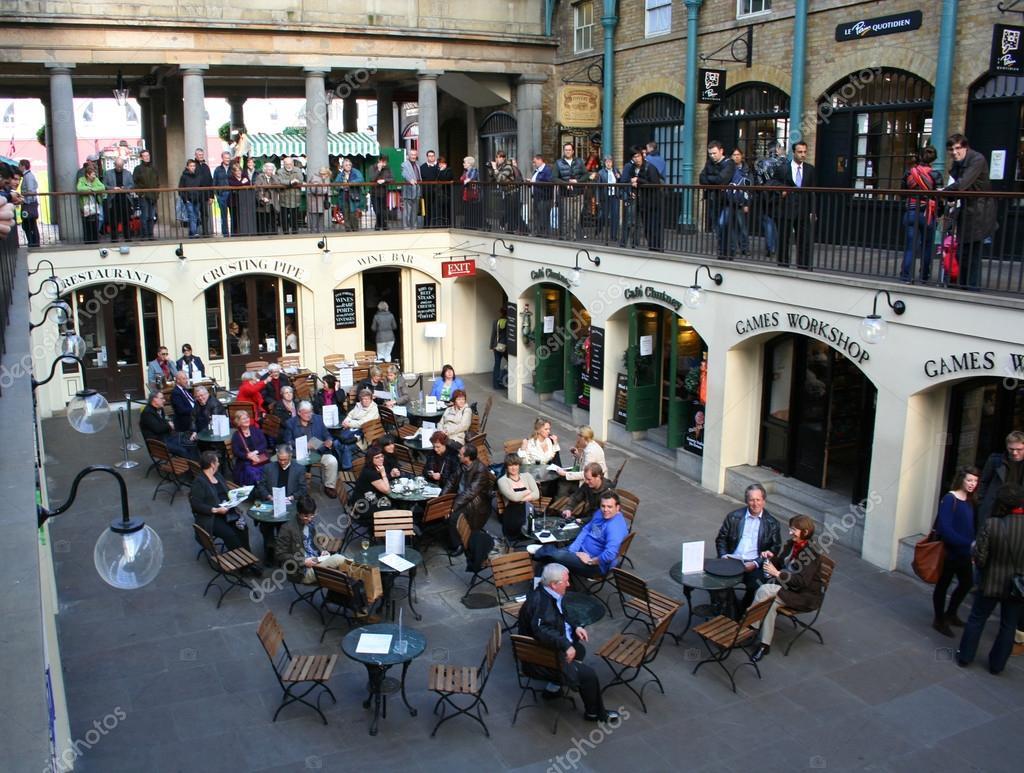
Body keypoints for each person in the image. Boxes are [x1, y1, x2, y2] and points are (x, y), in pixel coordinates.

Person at [517, 563, 620, 723]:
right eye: (565, 581)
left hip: (543, 651)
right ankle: (594, 714)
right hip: (542, 658)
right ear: (554, 584)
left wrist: (575, 626)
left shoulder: (547, 593)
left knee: (578, 650)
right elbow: (541, 629)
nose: (569, 584)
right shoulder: (542, 603)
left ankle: (553, 688)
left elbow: (562, 613)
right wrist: (565, 645)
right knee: (589, 676)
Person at [957, 484, 1024, 674]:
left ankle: (965, 657)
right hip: (1017, 587)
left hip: (991, 582)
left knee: (977, 619)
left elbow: (980, 558)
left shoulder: (992, 524)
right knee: (1008, 625)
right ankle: (997, 666)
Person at [750, 514, 824, 662]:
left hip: (804, 596)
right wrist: (770, 557)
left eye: (794, 530)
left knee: (765, 590)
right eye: (791, 528)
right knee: (769, 602)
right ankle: (764, 645)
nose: (790, 532)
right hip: (788, 589)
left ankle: (750, 626)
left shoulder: (811, 554)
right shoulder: (792, 544)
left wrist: (777, 574)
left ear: (805, 532)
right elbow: (781, 562)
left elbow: (802, 582)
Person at [715, 483, 782, 611]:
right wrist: (723, 556)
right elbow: (721, 539)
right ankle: (732, 610)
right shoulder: (734, 517)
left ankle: (744, 611)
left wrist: (756, 563)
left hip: (755, 563)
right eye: (752, 500)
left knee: (758, 587)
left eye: (758, 500)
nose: (755, 503)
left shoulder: (772, 523)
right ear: (746, 501)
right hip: (732, 560)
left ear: (764, 501)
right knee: (716, 583)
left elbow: (775, 547)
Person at [532, 491, 628, 580]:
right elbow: (587, 529)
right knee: (548, 559)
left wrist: (590, 561)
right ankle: (536, 586)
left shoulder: (615, 527)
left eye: (609, 507)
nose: (605, 510)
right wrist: (574, 548)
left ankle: (541, 550)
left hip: (594, 564)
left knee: (554, 556)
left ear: (618, 507)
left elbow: (610, 554)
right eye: (603, 506)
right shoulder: (600, 513)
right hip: (579, 551)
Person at [944, 134, 997, 290]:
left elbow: (962, 184)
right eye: (951, 149)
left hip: (980, 211)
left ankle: (971, 288)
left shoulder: (977, 160)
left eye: (957, 148)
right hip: (968, 210)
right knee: (964, 252)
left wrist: (943, 193)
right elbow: (958, 184)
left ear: (965, 147)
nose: (954, 152)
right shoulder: (960, 162)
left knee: (973, 253)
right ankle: (962, 285)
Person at [931, 466, 979, 637]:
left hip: (964, 553)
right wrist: (969, 544)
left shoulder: (970, 499)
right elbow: (945, 529)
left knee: (967, 583)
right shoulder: (950, 499)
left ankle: (951, 613)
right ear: (961, 480)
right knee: (943, 586)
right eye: (969, 480)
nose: (972, 484)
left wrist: (971, 548)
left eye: (975, 481)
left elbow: (969, 526)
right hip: (949, 553)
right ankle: (939, 620)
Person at [189, 451, 255, 558]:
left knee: (242, 528)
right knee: (230, 535)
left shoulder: (218, 475)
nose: (219, 464)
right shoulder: (199, 482)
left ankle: (248, 557)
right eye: (217, 462)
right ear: (212, 464)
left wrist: (238, 495)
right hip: (211, 517)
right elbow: (196, 505)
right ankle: (242, 561)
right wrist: (215, 510)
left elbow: (227, 492)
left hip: (227, 511)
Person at [275, 496, 353, 583]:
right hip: (302, 572)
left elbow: (314, 542)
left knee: (344, 573)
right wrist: (303, 561)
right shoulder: (287, 528)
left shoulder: (310, 523)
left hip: (316, 560)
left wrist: (322, 550)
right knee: (339, 560)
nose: (309, 519)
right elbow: (280, 554)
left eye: (312, 515)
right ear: (298, 513)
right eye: (305, 516)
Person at [255, 444, 308, 564]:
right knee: (265, 526)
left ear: (290, 456)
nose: (282, 462)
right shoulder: (268, 468)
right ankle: (269, 551)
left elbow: (303, 489)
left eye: (285, 459)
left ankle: (282, 554)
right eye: (279, 459)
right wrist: (269, 496)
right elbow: (261, 486)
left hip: (289, 505)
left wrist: (291, 497)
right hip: (271, 503)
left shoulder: (299, 469)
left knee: (284, 528)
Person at [441, 443, 495, 556]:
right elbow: (451, 480)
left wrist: (453, 507)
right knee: (441, 511)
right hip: (461, 497)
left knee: (454, 518)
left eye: (460, 454)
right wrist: (442, 498)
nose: (458, 455)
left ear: (467, 457)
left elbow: (470, 492)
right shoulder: (462, 464)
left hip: (475, 502)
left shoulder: (480, 470)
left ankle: (458, 545)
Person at [900, 146, 942, 283]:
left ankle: (906, 276)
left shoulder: (909, 173)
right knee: (927, 245)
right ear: (933, 159)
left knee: (910, 246)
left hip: (911, 211)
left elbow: (902, 193)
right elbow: (939, 196)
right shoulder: (936, 175)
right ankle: (924, 276)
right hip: (928, 213)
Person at [773, 141, 817, 270]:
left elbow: (813, 191)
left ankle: (803, 266)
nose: (803, 154)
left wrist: (813, 211)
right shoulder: (783, 169)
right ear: (794, 153)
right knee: (784, 239)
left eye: (804, 152)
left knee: (804, 239)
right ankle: (783, 265)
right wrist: (782, 191)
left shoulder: (810, 169)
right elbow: (773, 184)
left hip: (803, 209)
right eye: (800, 152)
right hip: (786, 209)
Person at [283, 401, 339, 496]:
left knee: (332, 461)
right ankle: (301, 488)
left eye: (310, 412)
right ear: (299, 412)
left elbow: (327, 434)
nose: (309, 415)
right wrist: (304, 445)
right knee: (297, 466)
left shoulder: (318, 419)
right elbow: (287, 441)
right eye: (306, 413)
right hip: (300, 454)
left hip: (318, 452)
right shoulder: (290, 423)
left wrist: (329, 440)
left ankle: (329, 486)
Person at [977, 430, 1024, 531]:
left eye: (1019, 449)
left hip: (1018, 512)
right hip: (994, 509)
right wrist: (982, 503)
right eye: (1011, 449)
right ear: (1007, 446)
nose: (1015, 453)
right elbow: (983, 482)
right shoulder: (995, 460)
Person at [699, 140, 736, 257]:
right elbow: (701, 178)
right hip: (713, 199)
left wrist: (710, 179)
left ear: (721, 151)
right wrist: (714, 180)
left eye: (714, 153)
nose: (712, 156)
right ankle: (722, 250)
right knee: (717, 226)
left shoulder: (729, 163)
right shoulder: (709, 163)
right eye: (710, 154)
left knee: (723, 224)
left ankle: (728, 251)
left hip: (727, 200)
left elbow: (722, 180)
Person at [139, 390, 199, 460]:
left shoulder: (159, 409)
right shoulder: (147, 413)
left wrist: (168, 424)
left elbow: (163, 424)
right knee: (185, 447)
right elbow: (158, 429)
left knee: (191, 441)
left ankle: (196, 465)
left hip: (168, 437)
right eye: (162, 398)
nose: (164, 400)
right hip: (159, 443)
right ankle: (194, 466)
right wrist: (168, 424)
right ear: (154, 399)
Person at [754, 141, 787, 259]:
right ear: (777, 149)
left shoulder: (761, 162)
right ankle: (774, 247)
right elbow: (786, 178)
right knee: (776, 222)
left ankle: (770, 247)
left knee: (767, 221)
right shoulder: (782, 162)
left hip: (764, 195)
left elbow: (758, 180)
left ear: (768, 150)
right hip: (779, 195)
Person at [497, 454, 540, 539]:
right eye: (510, 465)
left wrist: (520, 498)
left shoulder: (527, 476)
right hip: (512, 511)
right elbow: (514, 498)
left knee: (536, 522)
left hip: (527, 508)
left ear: (519, 465)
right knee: (520, 525)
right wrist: (527, 491)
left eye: (516, 465)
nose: (514, 468)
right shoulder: (502, 481)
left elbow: (536, 495)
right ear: (506, 467)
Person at [631, 145, 664, 251]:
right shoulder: (638, 169)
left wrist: (638, 181)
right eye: (634, 157)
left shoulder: (650, 167)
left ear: (642, 156)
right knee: (648, 228)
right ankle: (652, 247)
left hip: (653, 203)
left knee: (654, 228)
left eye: (638, 156)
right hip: (644, 203)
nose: (636, 159)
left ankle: (656, 248)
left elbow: (655, 184)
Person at [337, 389, 380, 471]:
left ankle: (347, 468)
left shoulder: (374, 409)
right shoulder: (359, 405)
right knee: (336, 443)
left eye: (367, 399)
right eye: (363, 399)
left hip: (364, 436)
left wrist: (349, 424)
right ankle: (341, 463)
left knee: (346, 447)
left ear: (371, 399)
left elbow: (362, 423)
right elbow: (350, 415)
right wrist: (346, 421)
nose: (364, 401)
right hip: (352, 432)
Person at [555, 142, 586, 240]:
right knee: (567, 217)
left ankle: (572, 237)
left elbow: (586, 175)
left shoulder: (579, 162)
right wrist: (566, 183)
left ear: (573, 151)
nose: (567, 152)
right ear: (564, 151)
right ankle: (565, 237)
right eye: (566, 150)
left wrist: (577, 181)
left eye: (569, 150)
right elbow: (554, 178)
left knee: (575, 218)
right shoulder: (558, 163)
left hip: (578, 194)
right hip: (565, 194)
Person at [725, 148, 752, 258]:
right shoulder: (728, 168)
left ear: (742, 156)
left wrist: (747, 203)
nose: (736, 156)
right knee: (731, 226)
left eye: (738, 154)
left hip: (741, 202)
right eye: (734, 154)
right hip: (729, 201)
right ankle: (734, 247)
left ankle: (745, 248)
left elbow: (749, 187)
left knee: (742, 226)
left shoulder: (746, 170)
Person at [231, 409, 269, 486]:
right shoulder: (236, 435)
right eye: (243, 419)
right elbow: (236, 451)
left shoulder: (255, 430)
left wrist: (255, 452)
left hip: (260, 458)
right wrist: (248, 456)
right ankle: (257, 489)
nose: (247, 420)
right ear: (238, 422)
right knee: (252, 473)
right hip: (245, 461)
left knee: (268, 470)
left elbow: (264, 444)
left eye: (247, 418)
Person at [102, 157, 134, 242]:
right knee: (113, 220)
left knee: (126, 220)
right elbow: (104, 185)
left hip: (125, 199)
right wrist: (113, 188)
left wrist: (125, 188)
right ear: (114, 165)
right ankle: (114, 239)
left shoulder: (128, 173)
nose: (119, 168)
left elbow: (132, 185)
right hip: (113, 199)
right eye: (118, 166)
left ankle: (128, 238)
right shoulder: (108, 173)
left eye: (121, 166)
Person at [132, 150, 159, 240]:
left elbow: (157, 182)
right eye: (145, 156)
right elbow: (135, 183)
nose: (147, 157)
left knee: (151, 216)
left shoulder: (153, 168)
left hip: (153, 195)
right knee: (145, 216)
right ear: (141, 157)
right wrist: (141, 193)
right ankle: (144, 234)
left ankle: (150, 234)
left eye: (148, 155)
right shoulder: (138, 169)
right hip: (144, 196)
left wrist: (157, 194)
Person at [76, 163, 106, 244]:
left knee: (96, 221)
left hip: (95, 203)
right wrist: (90, 189)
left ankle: (95, 239)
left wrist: (92, 189)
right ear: (88, 175)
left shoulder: (96, 180)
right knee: (87, 222)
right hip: (86, 204)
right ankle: (88, 240)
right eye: (93, 174)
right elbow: (79, 189)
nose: (94, 176)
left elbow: (102, 187)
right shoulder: (82, 180)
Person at [596, 155, 621, 243]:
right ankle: (598, 230)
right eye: (607, 162)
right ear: (604, 163)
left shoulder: (616, 171)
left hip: (614, 196)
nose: (608, 164)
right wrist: (597, 199)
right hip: (605, 196)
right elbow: (598, 187)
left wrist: (619, 177)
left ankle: (613, 236)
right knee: (603, 215)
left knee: (615, 216)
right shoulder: (601, 172)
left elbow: (621, 182)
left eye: (610, 162)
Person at [276, 156, 304, 234]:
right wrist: (290, 182)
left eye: (290, 164)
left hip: (295, 198)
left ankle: (295, 233)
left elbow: (301, 180)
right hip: (284, 198)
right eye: (287, 164)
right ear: (284, 164)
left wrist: (288, 183)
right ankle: (285, 233)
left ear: (293, 163)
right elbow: (279, 181)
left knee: (294, 218)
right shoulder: (279, 171)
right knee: (284, 218)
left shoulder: (298, 170)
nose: (289, 165)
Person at [335, 157, 364, 231]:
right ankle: (348, 230)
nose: (348, 166)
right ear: (343, 166)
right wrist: (341, 186)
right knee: (345, 214)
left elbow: (361, 179)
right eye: (346, 165)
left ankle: (355, 230)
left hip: (353, 196)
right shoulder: (341, 175)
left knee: (353, 213)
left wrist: (350, 183)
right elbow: (336, 184)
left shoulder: (356, 172)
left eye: (349, 165)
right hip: (344, 197)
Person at [227, 161, 256, 236]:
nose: (239, 172)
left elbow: (248, 183)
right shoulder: (231, 178)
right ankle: (234, 234)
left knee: (243, 217)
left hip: (244, 201)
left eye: (239, 170)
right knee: (234, 218)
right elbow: (233, 184)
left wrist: (240, 183)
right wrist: (241, 183)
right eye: (236, 171)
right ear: (233, 172)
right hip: (233, 201)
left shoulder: (245, 176)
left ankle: (244, 232)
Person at [178, 159, 204, 238]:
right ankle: (194, 233)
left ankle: (191, 232)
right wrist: (185, 199)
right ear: (187, 167)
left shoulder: (198, 176)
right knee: (192, 215)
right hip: (188, 200)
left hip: (197, 199)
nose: (193, 167)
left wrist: (200, 196)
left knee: (196, 215)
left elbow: (201, 186)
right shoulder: (184, 176)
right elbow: (181, 188)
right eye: (191, 166)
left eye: (194, 166)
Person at [529, 153, 554, 237]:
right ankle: (539, 232)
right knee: (538, 215)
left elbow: (550, 182)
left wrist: (535, 182)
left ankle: (544, 233)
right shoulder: (537, 170)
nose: (533, 164)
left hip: (544, 197)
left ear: (540, 160)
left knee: (543, 216)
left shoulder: (547, 170)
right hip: (537, 197)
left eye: (534, 162)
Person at [18, 159, 40, 247]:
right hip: (29, 204)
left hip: (28, 204)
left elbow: (31, 190)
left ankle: (33, 242)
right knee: (30, 224)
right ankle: (33, 241)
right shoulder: (29, 176)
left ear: (23, 166)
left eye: (19, 166)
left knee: (29, 224)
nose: (18, 167)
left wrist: (23, 197)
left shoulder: (28, 177)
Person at [193, 148, 214, 236]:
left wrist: (211, 196)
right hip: (195, 195)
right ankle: (195, 232)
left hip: (205, 195)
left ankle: (205, 232)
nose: (201, 156)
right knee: (194, 214)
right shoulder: (193, 166)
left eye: (202, 155)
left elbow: (210, 181)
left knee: (205, 214)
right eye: (199, 155)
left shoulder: (206, 167)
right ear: (195, 155)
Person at [254, 162, 279, 235]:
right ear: (265, 170)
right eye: (268, 170)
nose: (270, 171)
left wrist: (274, 176)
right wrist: (262, 198)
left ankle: (274, 234)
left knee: (273, 220)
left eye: (271, 170)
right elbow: (257, 189)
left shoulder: (275, 177)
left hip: (272, 202)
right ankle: (263, 235)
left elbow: (278, 186)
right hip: (263, 203)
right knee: (263, 221)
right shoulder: (260, 177)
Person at [212, 151, 233, 237]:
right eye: (226, 158)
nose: (227, 159)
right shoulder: (217, 169)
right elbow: (214, 182)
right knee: (223, 215)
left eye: (228, 158)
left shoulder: (233, 168)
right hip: (221, 194)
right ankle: (225, 233)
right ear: (222, 158)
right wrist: (216, 194)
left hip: (231, 194)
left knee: (233, 215)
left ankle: (234, 232)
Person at [370, 156, 393, 231]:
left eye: (385, 162)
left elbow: (392, 179)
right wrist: (379, 170)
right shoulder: (372, 167)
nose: (384, 164)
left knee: (383, 211)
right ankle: (383, 225)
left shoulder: (387, 168)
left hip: (384, 193)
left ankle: (379, 225)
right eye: (383, 162)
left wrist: (384, 180)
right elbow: (372, 178)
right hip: (374, 193)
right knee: (377, 211)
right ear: (379, 161)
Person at [400, 148, 421, 229]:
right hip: (408, 191)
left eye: (415, 155)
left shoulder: (417, 165)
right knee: (407, 212)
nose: (413, 156)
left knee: (415, 211)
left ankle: (414, 226)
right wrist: (410, 180)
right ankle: (406, 227)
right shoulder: (404, 164)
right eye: (412, 155)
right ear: (408, 156)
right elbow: (404, 174)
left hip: (417, 191)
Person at [306, 165, 331, 233]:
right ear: (323, 173)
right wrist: (325, 190)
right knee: (315, 220)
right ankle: (315, 233)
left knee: (320, 219)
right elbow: (315, 190)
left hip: (319, 202)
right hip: (315, 202)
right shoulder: (316, 179)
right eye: (327, 175)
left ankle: (319, 232)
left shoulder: (320, 179)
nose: (327, 176)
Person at [489, 304, 508, 389]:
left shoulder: (495, 321)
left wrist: (491, 346)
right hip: (505, 347)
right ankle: (501, 379)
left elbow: (493, 335)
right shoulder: (509, 322)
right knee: (511, 364)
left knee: (496, 365)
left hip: (496, 346)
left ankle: (495, 385)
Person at [420, 149, 440, 227]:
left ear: (434, 156)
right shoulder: (422, 167)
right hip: (426, 192)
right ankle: (426, 225)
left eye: (432, 156)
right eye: (429, 156)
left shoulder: (438, 166)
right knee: (426, 209)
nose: (431, 157)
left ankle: (435, 225)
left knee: (436, 209)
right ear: (427, 157)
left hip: (437, 192)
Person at [460, 156, 481, 229]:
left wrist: (466, 180)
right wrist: (465, 180)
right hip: (466, 193)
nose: (463, 164)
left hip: (472, 193)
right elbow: (462, 179)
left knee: (472, 209)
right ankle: (467, 224)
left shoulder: (474, 170)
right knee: (467, 209)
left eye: (464, 162)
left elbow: (470, 179)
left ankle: (472, 225)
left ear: (469, 163)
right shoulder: (465, 171)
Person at [436, 156, 454, 226]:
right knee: (441, 210)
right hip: (440, 194)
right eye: (439, 164)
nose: (440, 165)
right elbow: (437, 178)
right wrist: (440, 171)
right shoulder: (438, 171)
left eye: (441, 163)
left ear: (445, 164)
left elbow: (445, 179)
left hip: (447, 193)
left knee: (448, 209)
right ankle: (442, 223)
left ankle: (449, 223)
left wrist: (442, 171)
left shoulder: (449, 170)